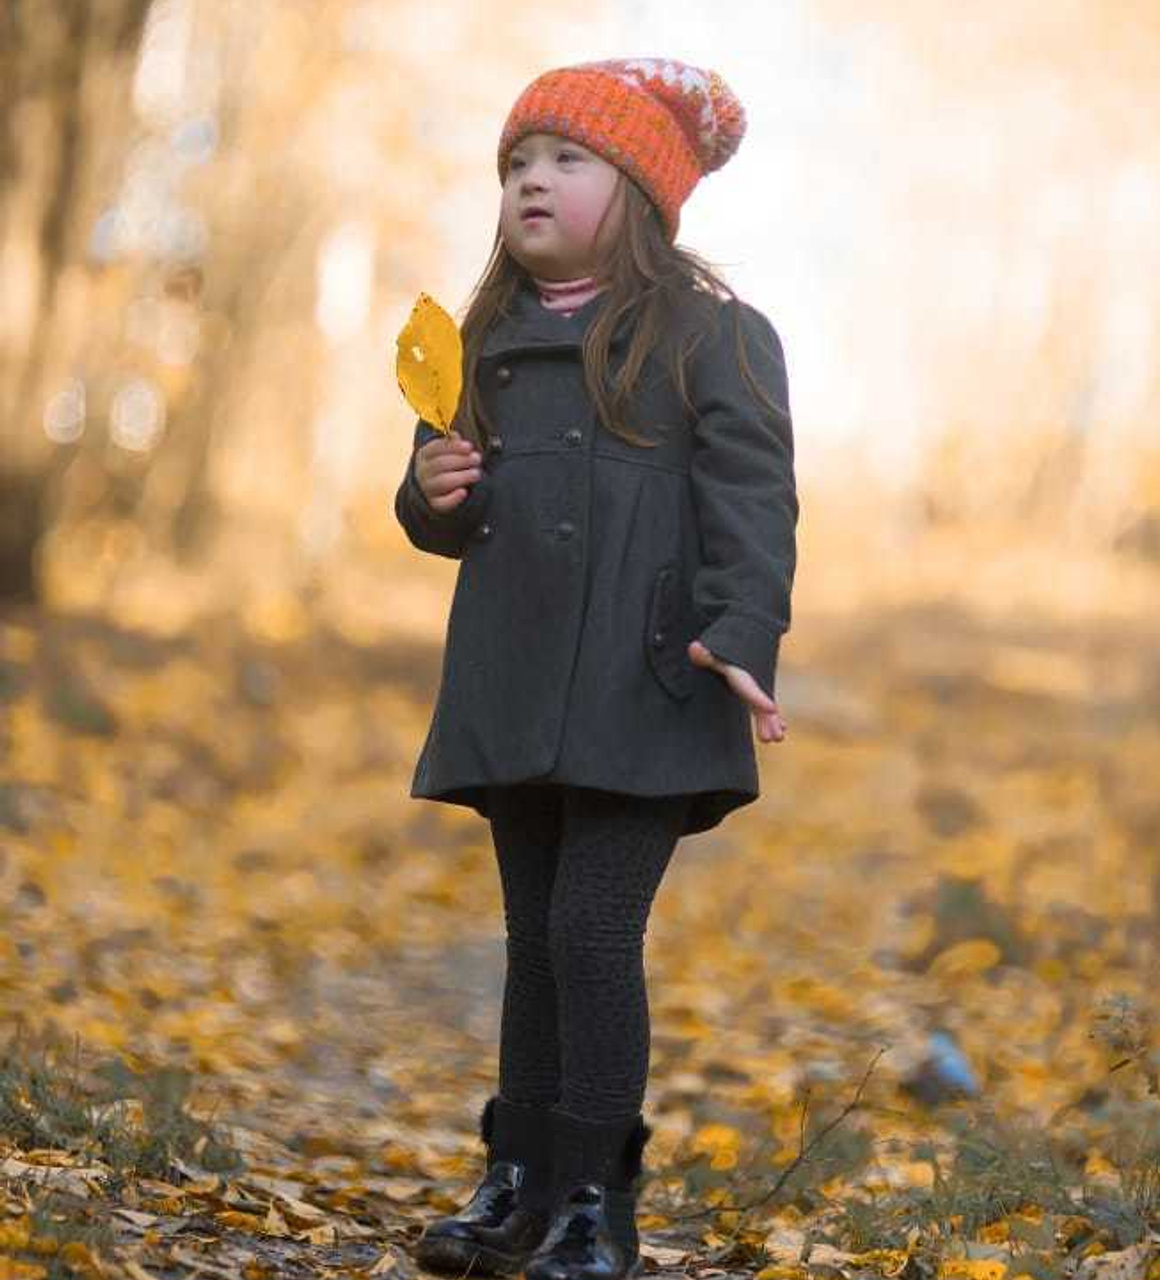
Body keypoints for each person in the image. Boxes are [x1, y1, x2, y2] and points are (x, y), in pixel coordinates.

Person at [395, 57, 799, 1280]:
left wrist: (739, 633)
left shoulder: (713, 335)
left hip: (647, 674)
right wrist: (428, 493)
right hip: (514, 677)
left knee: (589, 926)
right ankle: (514, 1178)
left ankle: (591, 1197)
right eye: (517, 163)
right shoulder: (474, 341)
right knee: (531, 933)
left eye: (566, 161)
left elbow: (753, 500)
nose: (532, 182)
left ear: (638, 191)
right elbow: (437, 505)